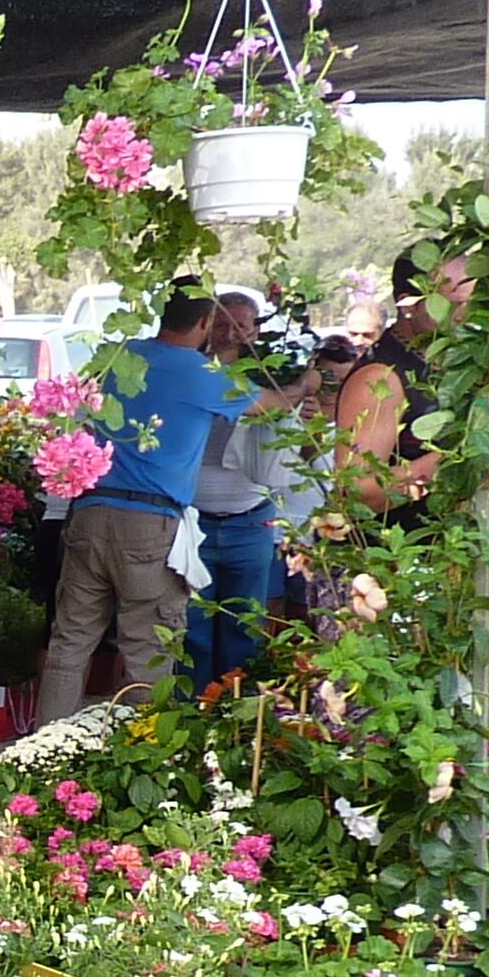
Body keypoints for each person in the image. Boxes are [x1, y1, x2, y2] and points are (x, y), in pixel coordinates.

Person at [32, 287, 315, 719]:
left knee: (70, 643)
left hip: (90, 510)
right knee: (148, 649)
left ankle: (45, 751)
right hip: (150, 521)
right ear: (204, 323)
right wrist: (305, 382)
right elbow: (270, 405)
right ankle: (140, 754)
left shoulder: (120, 356)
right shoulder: (199, 372)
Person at [186, 292, 291, 685]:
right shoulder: (194, 371)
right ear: (205, 327)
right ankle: (192, 718)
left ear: (256, 329)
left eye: (241, 325)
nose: (231, 333)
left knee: (244, 630)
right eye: (222, 324)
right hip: (195, 521)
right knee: (192, 631)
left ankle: (238, 723)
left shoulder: (273, 374)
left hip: (251, 520)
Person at [333, 252, 472, 510]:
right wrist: (455, 462)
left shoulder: (452, 361)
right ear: (408, 304)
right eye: (454, 304)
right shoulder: (378, 379)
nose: (465, 315)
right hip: (392, 544)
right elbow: (355, 492)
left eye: (471, 303)